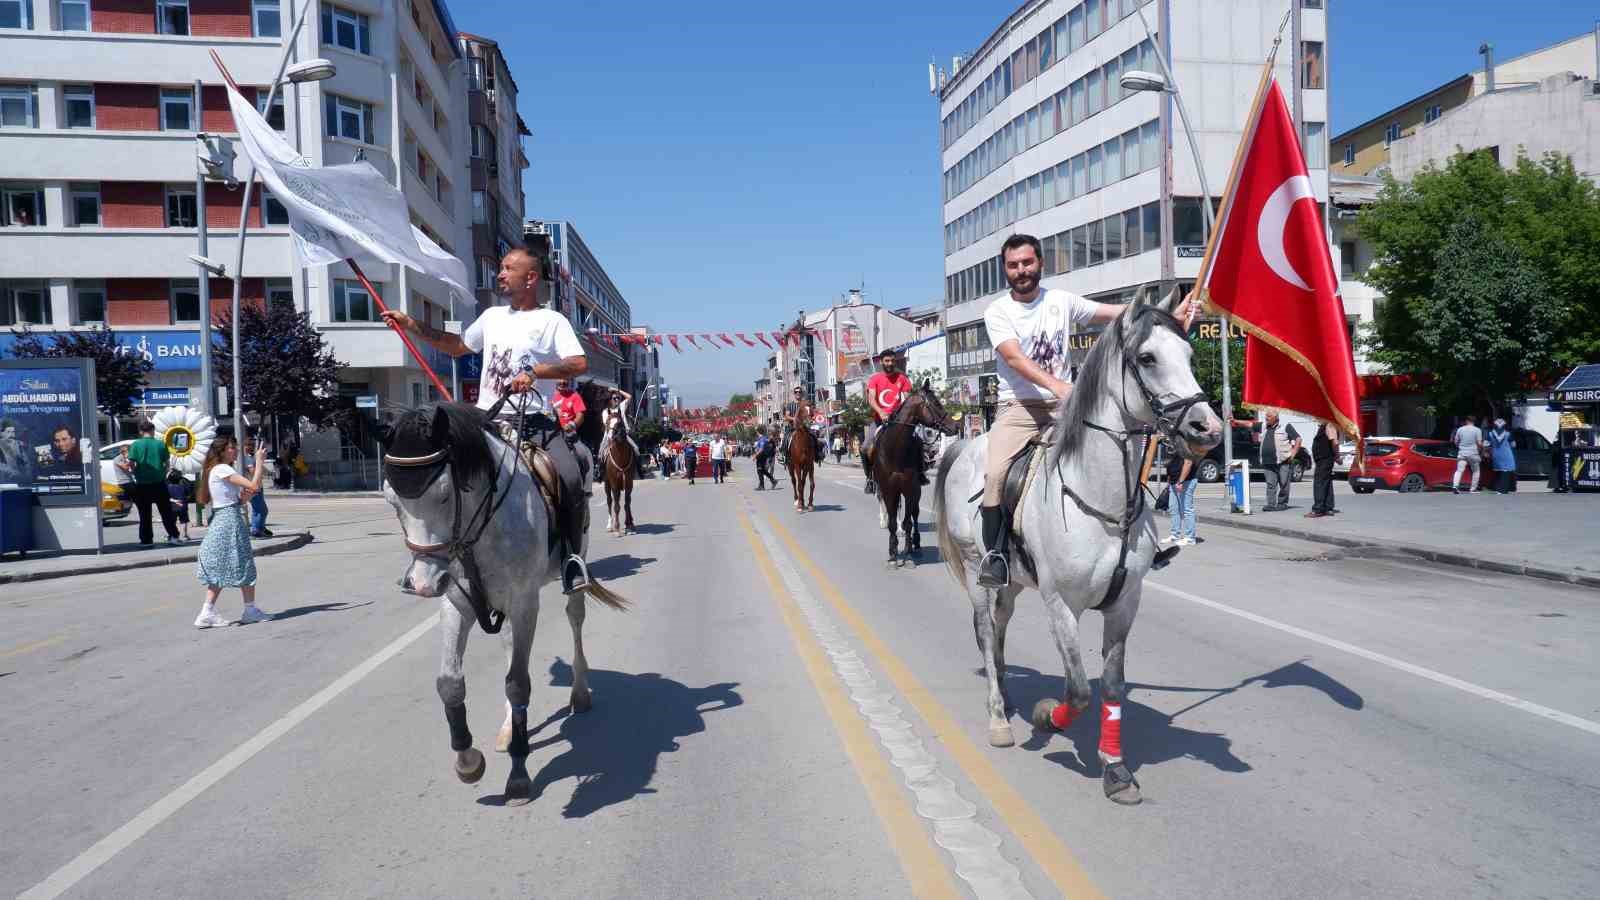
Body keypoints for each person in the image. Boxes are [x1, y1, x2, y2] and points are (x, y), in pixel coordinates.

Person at [976, 233, 1196, 587]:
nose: (1021, 270)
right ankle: (996, 555)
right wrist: (1057, 385)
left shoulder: (1060, 301)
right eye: (1013, 265)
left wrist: (1169, 314)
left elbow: (1122, 314)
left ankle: (1143, 542)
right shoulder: (998, 311)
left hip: (1068, 404)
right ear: (1005, 269)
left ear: (1040, 264)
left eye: (1027, 263)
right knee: (996, 473)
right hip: (1020, 406)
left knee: (1120, 452)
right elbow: (1014, 358)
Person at [382, 244, 594, 595]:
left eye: (508, 268)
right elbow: (456, 346)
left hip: (534, 423)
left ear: (530, 277)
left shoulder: (551, 321)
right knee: (441, 480)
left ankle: (572, 561)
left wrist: (537, 370)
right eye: (501, 267)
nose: (500, 273)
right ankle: (428, 559)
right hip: (487, 421)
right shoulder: (492, 317)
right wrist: (413, 325)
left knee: (570, 476)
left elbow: (578, 363)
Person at [193, 435, 271, 628]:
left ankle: (207, 612)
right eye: (231, 448)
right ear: (221, 451)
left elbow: (245, 494)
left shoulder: (217, 470)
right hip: (229, 520)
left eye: (235, 447)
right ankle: (249, 609)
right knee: (243, 561)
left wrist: (245, 498)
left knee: (223, 565)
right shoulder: (222, 468)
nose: (235, 450)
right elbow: (254, 485)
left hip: (226, 516)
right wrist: (259, 462)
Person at [861, 348, 916, 494]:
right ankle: (870, 479)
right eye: (887, 361)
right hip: (880, 421)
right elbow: (871, 399)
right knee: (865, 447)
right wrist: (881, 412)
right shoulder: (875, 379)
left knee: (918, 442)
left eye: (892, 360)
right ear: (881, 362)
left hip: (899, 422)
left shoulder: (902, 379)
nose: (890, 363)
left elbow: (907, 399)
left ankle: (920, 474)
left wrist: (904, 415)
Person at [127, 420, 181, 546]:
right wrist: (162, 473)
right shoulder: (161, 444)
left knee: (144, 513)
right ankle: (173, 536)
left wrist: (135, 472)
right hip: (159, 483)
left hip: (142, 483)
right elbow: (167, 464)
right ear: (153, 431)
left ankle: (146, 540)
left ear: (140, 432)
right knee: (166, 511)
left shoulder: (135, 445)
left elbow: (131, 464)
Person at [1234, 411, 1300, 512]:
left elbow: (1298, 439)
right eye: (1266, 416)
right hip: (1267, 461)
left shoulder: (1285, 426)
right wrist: (1235, 421)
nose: (1266, 418)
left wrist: (1294, 452)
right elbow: (1249, 424)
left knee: (1284, 483)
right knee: (1270, 484)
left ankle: (1282, 503)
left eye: (1269, 416)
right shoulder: (1264, 426)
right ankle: (1271, 504)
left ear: (1275, 418)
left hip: (1283, 461)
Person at [1165, 444, 1197, 546]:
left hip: (1186, 481)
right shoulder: (1177, 447)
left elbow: (1188, 463)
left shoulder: (1187, 447)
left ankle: (1190, 538)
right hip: (1174, 482)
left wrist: (1181, 481)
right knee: (1174, 509)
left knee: (1187, 509)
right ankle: (1175, 535)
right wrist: (1169, 482)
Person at [241, 434, 272, 538]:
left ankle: (260, 527)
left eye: (253, 445)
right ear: (244, 446)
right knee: (261, 509)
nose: (251, 447)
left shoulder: (250, 457)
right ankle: (256, 529)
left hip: (257, 486)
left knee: (257, 509)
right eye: (249, 445)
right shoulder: (247, 458)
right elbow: (253, 471)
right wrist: (260, 462)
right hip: (252, 486)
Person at [1308, 421, 1338, 518]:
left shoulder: (1329, 425)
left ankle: (1318, 509)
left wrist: (1336, 456)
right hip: (1323, 459)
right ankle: (1328, 508)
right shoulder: (1324, 426)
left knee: (1319, 483)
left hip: (1325, 459)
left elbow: (1334, 442)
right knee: (1327, 483)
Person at [1451, 415, 1484, 495]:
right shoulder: (1477, 430)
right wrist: (1482, 449)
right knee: (1476, 471)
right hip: (1473, 453)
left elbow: (1456, 442)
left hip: (1462, 453)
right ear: (1474, 421)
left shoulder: (1460, 429)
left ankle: (1455, 486)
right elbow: (1479, 443)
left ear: (1467, 421)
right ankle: (1473, 489)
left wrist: (1460, 447)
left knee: (1459, 470)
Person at [1486, 418, 1516, 494]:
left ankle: (1496, 488)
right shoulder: (1508, 434)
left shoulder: (1490, 434)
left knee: (1498, 471)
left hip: (1496, 454)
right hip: (1507, 455)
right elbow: (1513, 445)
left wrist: (1487, 451)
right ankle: (1503, 489)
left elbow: (1485, 444)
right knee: (1505, 472)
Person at [0, 417, 31, 485]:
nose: (11, 434)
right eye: (8, 432)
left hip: (23, 483)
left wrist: (27, 476)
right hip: (5, 483)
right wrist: (16, 474)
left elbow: (26, 463)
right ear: (1, 434)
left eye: (13, 432)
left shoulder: (19, 445)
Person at [166, 469, 193, 541]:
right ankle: (184, 535)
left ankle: (171, 535)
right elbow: (188, 494)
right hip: (183, 506)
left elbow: (166, 498)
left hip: (172, 507)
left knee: (172, 522)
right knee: (184, 521)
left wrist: (174, 501)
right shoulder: (183, 487)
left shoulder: (168, 487)